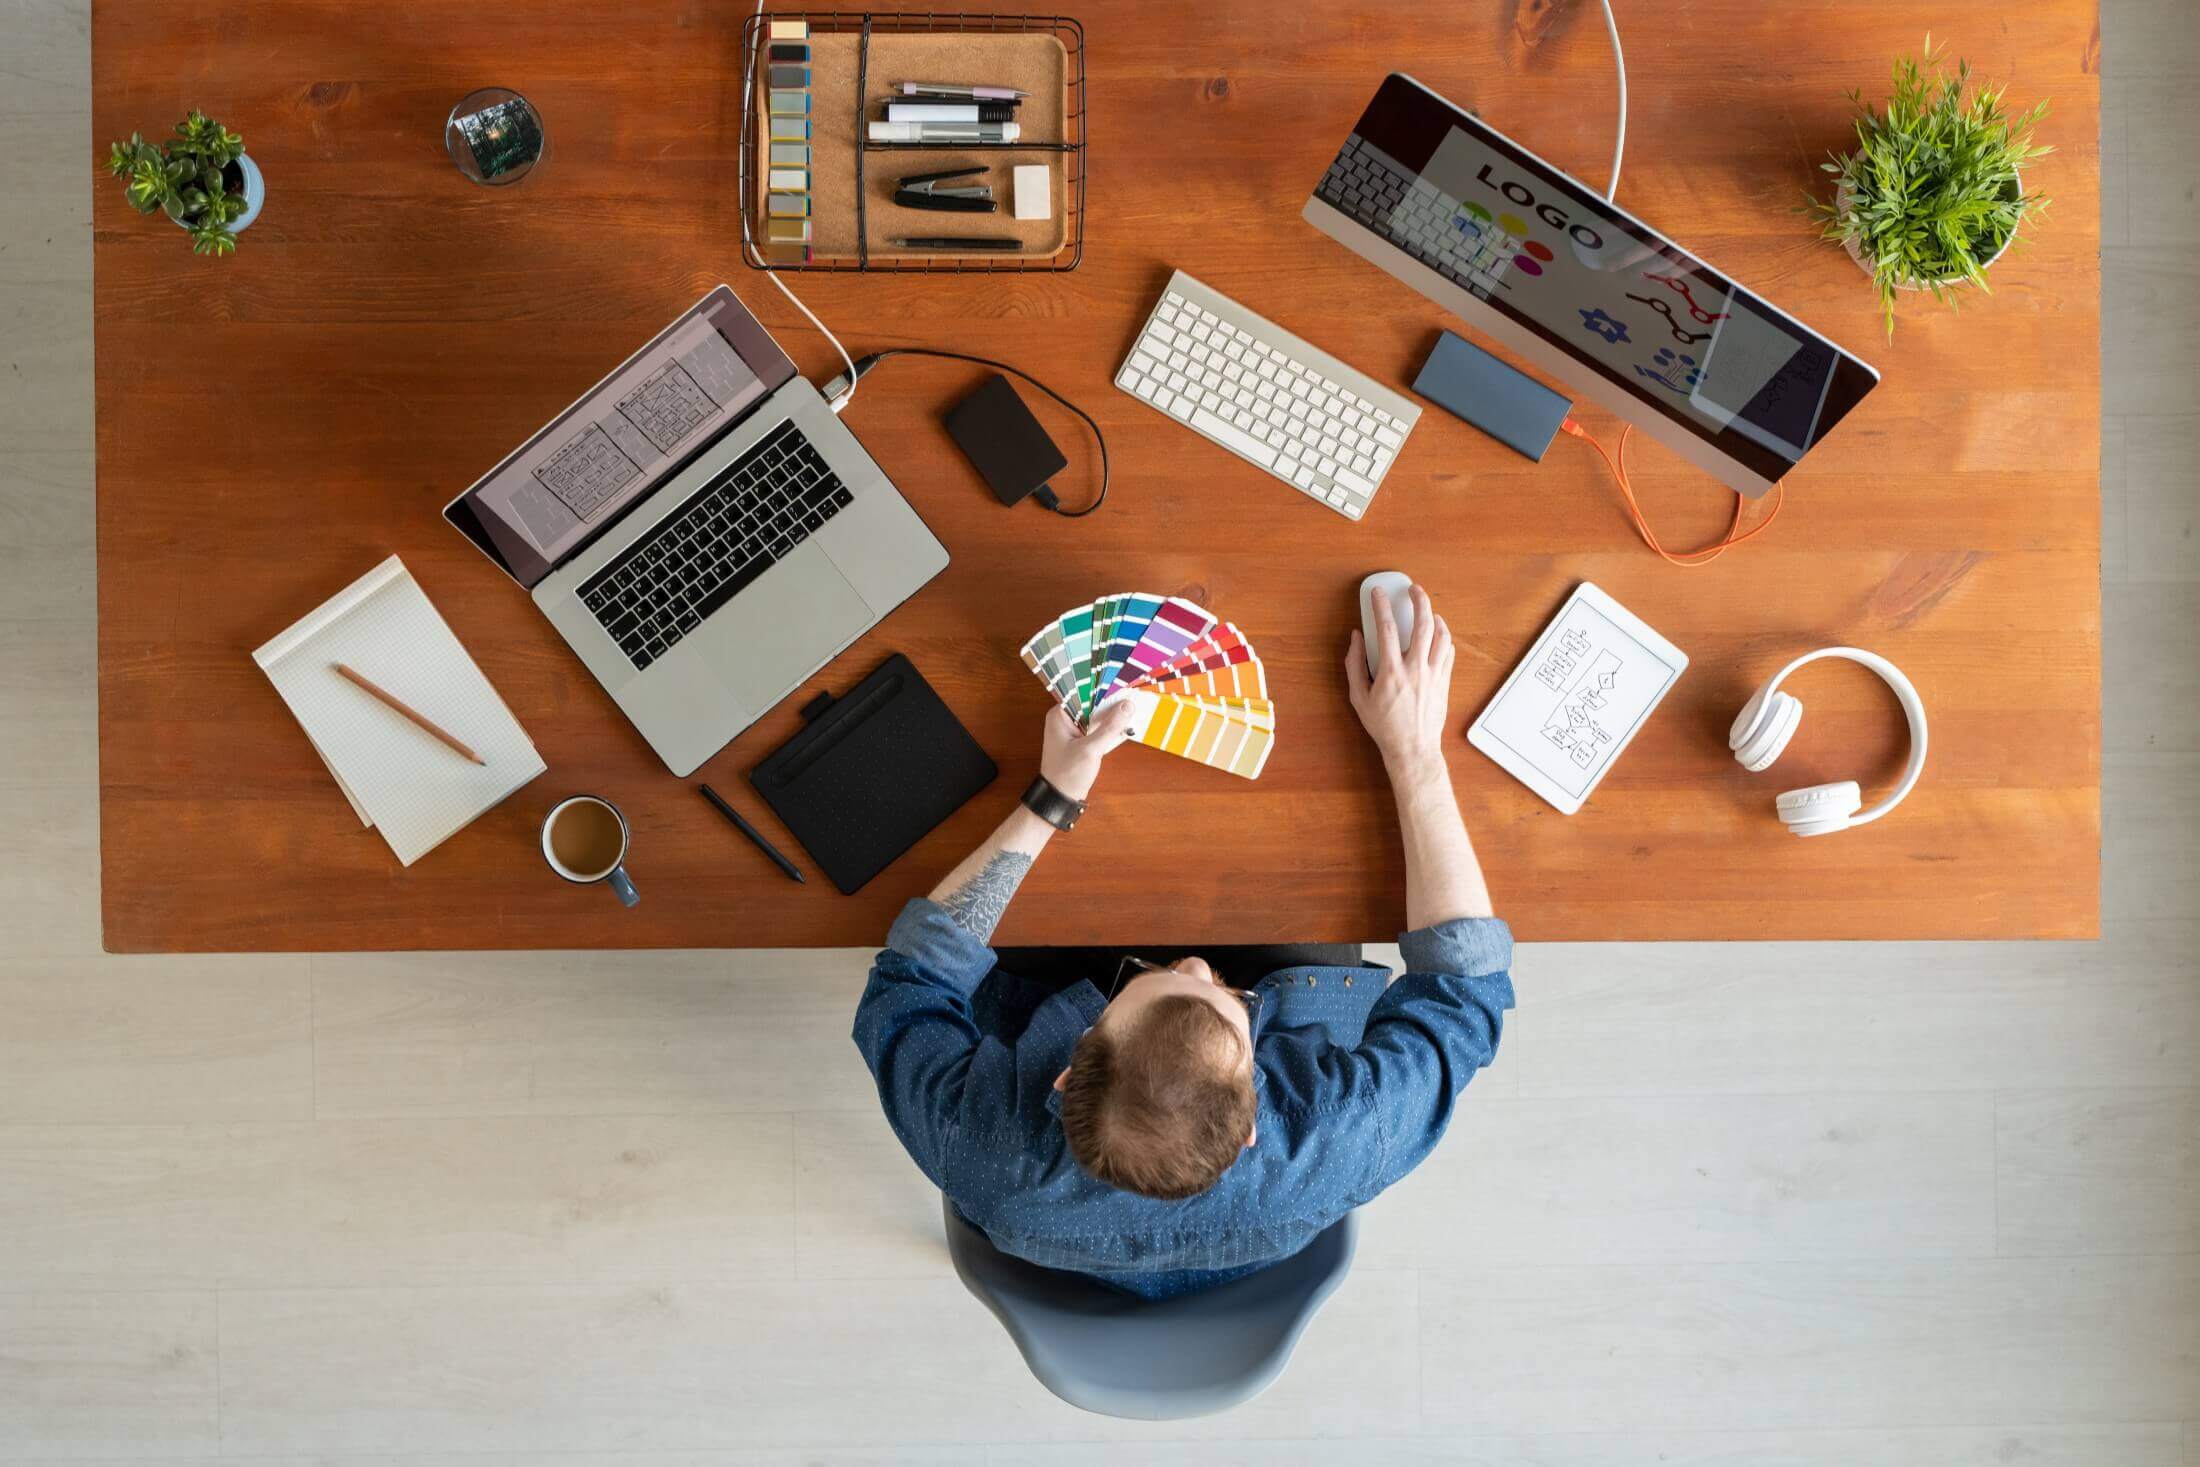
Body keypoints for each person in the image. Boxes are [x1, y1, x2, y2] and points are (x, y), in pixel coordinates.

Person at [853, 585, 1512, 1297]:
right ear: (1257, 1116)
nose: (1198, 962)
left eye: (1166, 975)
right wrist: (1414, 748)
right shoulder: (1339, 1140)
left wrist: (1052, 796)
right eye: (1218, 993)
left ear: (1068, 1072)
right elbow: (1463, 984)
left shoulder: (982, 1150)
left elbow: (908, 984)